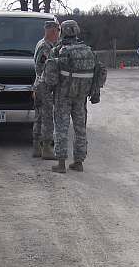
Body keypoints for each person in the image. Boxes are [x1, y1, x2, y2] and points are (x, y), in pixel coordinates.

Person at [44, 20, 99, 173]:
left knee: (61, 127)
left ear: (64, 32)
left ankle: (61, 163)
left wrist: (49, 90)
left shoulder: (58, 50)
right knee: (80, 128)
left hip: (63, 95)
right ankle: (79, 162)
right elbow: (97, 72)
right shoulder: (88, 51)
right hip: (81, 96)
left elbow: (50, 74)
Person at [32, 20, 59, 160]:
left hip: (38, 84)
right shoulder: (46, 47)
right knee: (47, 117)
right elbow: (40, 67)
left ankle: (36, 147)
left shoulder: (41, 43)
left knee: (39, 116)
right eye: (57, 31)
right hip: (44, 85)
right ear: (52, 31)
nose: (58, 35)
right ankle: (47, 149)